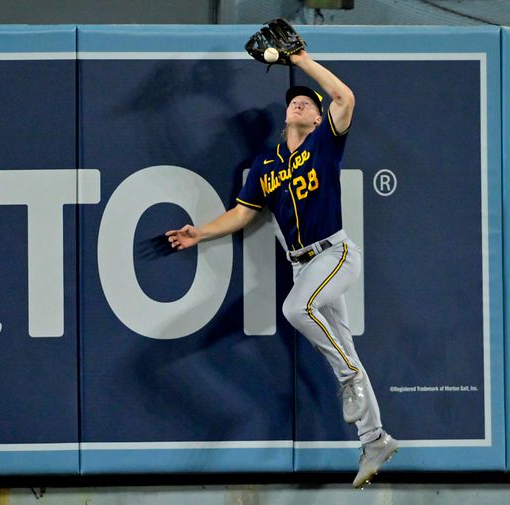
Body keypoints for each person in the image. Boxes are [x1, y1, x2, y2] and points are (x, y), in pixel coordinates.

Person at [165, 49, 397, 487]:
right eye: (295, 100)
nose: (300, 104)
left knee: (296, 311)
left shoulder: (325, 144)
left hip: (335, 254)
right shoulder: (265, 167)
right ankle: (375, 439)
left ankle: (348, 379)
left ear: (317, 119)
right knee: (340, 340)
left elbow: (343, 96)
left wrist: (302, 58)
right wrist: (202, 233)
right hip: (301, 265)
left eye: (309, 102)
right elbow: (241, 213)